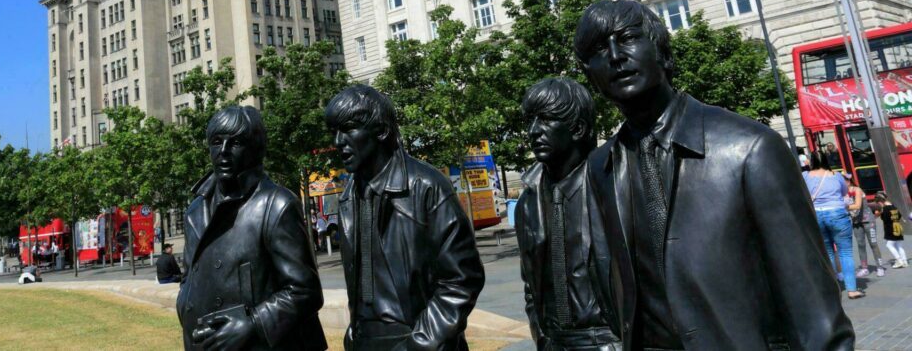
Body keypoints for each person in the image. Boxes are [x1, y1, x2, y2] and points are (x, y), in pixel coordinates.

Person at [575, 0, 854, 350]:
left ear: (663, 53)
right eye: (599, 49)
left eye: (628, 38)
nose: (615, 55)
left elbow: (815, 311)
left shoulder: (751, 148)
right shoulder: (601, 167)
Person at [325, 84, 485, 351]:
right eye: (334, 132)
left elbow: (461, 280)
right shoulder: (349, 195)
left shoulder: (426, 186)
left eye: (349, 129)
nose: (339, 142)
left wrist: (420, 343)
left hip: (419, 342)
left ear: (381, 131)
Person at [177, 106, 327, 351]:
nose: (223, 152)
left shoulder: (277, 204)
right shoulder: (196, 210)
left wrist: (254, 324)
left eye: (235, 143)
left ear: (255, 149)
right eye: (216, 142)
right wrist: (185, 304)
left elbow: (305, 291)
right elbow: (189, 278)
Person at [515, 78, 619, 350]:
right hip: (554, 342)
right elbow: (531, 283)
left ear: (578, 129)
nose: (534, 131)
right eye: (530, 121)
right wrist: (541, 336)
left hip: (609, 340)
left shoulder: (613, 184)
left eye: (546, 120)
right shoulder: (529, 197)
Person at [805, 151, 862, 298]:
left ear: (811, 161)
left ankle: (833, 289)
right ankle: (852, 290)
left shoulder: (805, 176)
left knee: (827, 252)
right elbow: (844, 193)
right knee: (846, 253)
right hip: (837, 214)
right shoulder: (836, 175)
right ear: (826, 160)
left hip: (817, 215)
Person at [848, 184, 886, 277]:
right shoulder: (841, 193)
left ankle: (880, 267)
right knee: (861, 245)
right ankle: (864, 268)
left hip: (868, 220)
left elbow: (857, 205)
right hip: (856, 221)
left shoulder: (857, 189)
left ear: (849, 180)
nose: (844, 182)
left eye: (846, 179)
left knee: (873, 243)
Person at [878, 191, 908, 268]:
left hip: (891, 229)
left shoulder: (885, 209)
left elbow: (883, 218)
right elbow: (899, 216)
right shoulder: (894, 206)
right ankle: (905, 261)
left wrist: (881, 211)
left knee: (889, 245)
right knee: (899, 245)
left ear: (881, 201)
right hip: (898, 227)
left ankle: (899, 260)